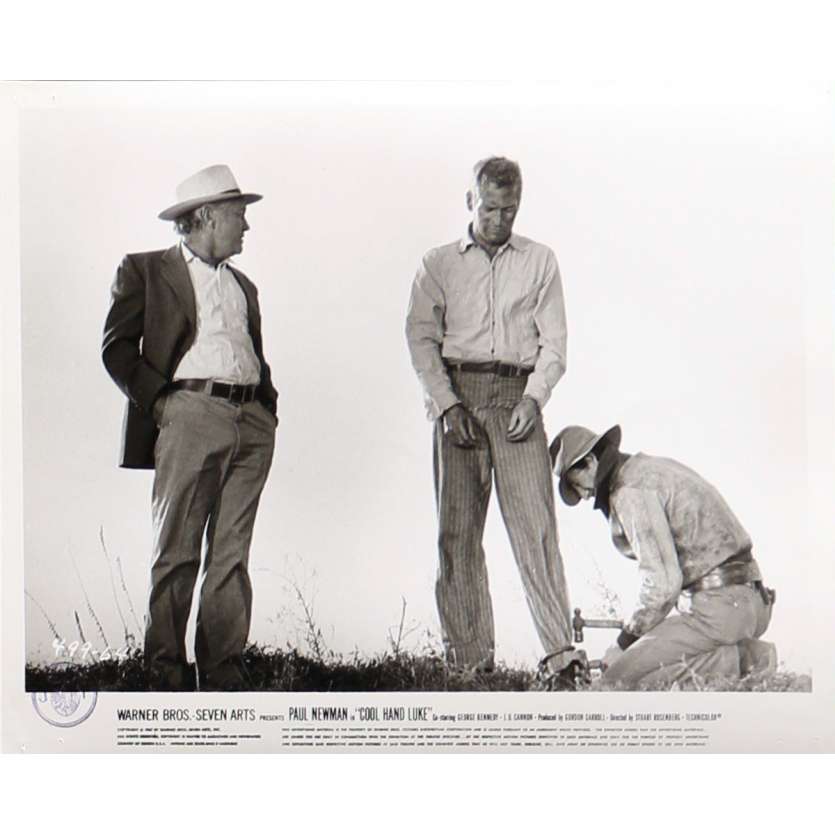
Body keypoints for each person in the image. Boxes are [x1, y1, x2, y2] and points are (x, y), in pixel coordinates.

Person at [102, 164, 278, 691]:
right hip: (189, 414)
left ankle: (223, 672)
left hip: (251, 421)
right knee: (177, 549)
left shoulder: (244, 286)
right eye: (239, 214)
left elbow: (252, 351)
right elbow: (116, 349)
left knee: (232, 554)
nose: (247, 225)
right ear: (206, 217)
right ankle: (163, 674)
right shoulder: (145, 270)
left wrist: (267, 407)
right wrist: (162, 404)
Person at [405, 156, 577, 682]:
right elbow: (420, 338)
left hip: (517, 399)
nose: (499, 220)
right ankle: (469, 666)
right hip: (458, 397)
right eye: (489, 208)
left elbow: (555, 344)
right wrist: (448, 405)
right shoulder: (438, 264)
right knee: (456, 535)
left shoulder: (540, 261)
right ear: (469, 201)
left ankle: (562, 659)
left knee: (536, 530)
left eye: (510, 210)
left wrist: (534, 399)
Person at [550, 424, 776, 689]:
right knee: (650, 672)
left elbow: (662, 585)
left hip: (719, 610)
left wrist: (622, 644)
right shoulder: (648, 468)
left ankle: (745, 661)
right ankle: (735, 656)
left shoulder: (630, 490)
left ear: (590, 461)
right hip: (750, 601)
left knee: (615, 682)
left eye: (577, 485)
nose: (584, 496)